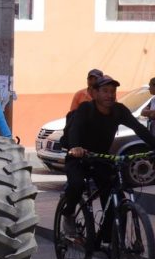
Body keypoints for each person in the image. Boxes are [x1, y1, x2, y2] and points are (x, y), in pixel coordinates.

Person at [62, 75, 155, 241]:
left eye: (113, 91)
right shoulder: (86, 109)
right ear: (94, 93)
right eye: (105, 91)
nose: (110, 95)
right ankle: (68, 214)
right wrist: (75, 147)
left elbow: (139, 129)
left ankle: (105, 241)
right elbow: (74, 129)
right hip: (78, 156)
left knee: (116, 198)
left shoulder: (119, 110)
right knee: (76, 184)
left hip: (100, 159)